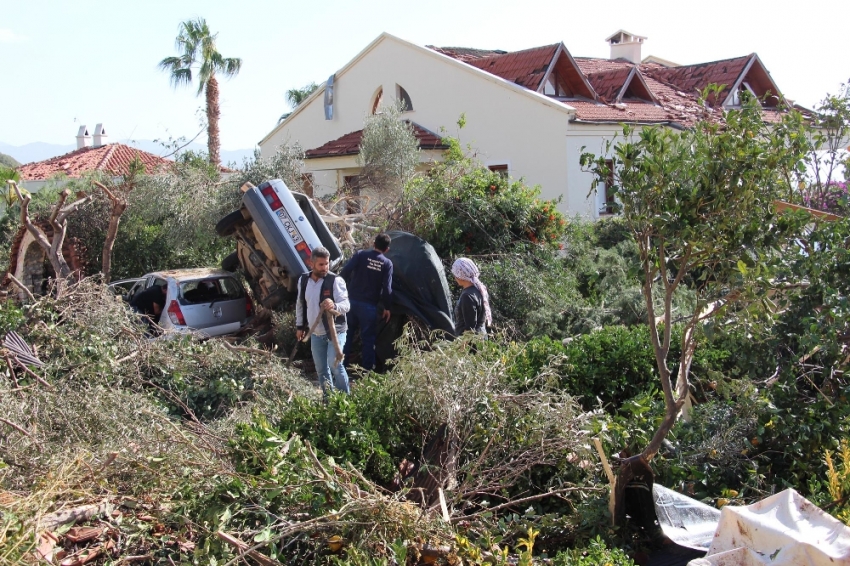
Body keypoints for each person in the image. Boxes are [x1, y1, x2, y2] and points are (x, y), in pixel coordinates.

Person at [295, 246, 351, 398]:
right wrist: (300, 326)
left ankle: (345, 401)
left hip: (336, 332)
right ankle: (329, 400)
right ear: (311, 263)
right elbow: (300, 304)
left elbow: (346, 305)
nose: (325, 267)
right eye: (321, 264)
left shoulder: (335, 280)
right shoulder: (304, 280)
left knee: (336, 367)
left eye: (327, 263)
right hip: (315, 333)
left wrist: (334, 305)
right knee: (321, 369)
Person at [340, 233, 393, 371]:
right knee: (368, 341)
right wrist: (387, 307)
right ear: (387, 249)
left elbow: (345, 271)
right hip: (369, 307)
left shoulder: (360, 255)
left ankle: (340, 369)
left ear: (373, 244)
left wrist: (339, 292)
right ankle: (366, 373)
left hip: (350, 303)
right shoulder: (387, 264)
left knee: (346, 336)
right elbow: (387, 288)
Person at [451, 257, 492, 337]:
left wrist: (461, 347)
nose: (454, 277)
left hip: (471, 344)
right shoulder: (480, 289)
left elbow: (470, 328)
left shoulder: (467, 296)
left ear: (460, 275)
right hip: (481, 337)